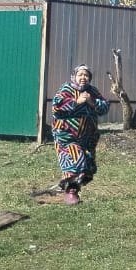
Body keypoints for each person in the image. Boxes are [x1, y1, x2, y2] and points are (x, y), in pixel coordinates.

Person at [51, 65, 111, 204]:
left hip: (87, 137)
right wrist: (75, 102)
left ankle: (74, 191)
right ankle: (70, 193)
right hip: (67, 136)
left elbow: (104, 107)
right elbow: (56, 107)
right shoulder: (66, 89)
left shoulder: (92, 91)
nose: (83, 78)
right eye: (80, 75)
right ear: (74, 76)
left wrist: (92, 101)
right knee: (75, 162)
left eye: (86, 75)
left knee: (87, 167)